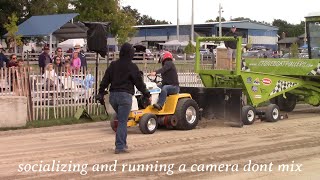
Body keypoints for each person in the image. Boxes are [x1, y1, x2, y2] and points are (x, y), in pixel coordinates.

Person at [97, 42, 151, 154]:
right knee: (122, 121)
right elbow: (139, 83)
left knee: (122, 119)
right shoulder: (132, 67)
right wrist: (147, 94)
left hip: (113, 97)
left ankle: (123, 143)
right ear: (131, 53)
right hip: (125, 96)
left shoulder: (113, 65)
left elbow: (105, 80)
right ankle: (120, 146)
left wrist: (101, 93)